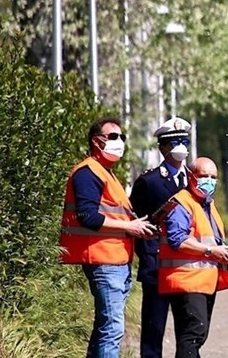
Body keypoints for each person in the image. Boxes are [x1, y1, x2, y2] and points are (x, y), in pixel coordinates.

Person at [59, 116, 157, 358]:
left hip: (115, 261)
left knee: (105, 328)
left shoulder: (107, 173)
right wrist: (130, 227)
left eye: (122, 137)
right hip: (103, 261)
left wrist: (136, 224)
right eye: (113, 136)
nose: (120, 142)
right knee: (112, 329)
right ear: (96, 141)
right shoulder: (87, 173)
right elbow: (88, 217)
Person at [157, 157, 228, 357]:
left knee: (194, 335)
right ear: (190, 176)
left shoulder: (206, 205)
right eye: (204, 176)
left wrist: (226, 252)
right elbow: (178, 240)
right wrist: (212, 252)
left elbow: (210, 241)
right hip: (185, 281)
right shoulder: (181, 203)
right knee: (194, 333)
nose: (209, 181)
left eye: (213, 177)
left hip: (203, 282)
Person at [129, 116, 192, 358]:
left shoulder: (194, 179)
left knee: (188, 330)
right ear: (162, 147)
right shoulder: (149, 181)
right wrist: (147, 255)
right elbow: (137, 222)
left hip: (187, 264)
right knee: (154, 329)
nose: (181, 147)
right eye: (174, 141)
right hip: (157, 266)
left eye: (184, 141)